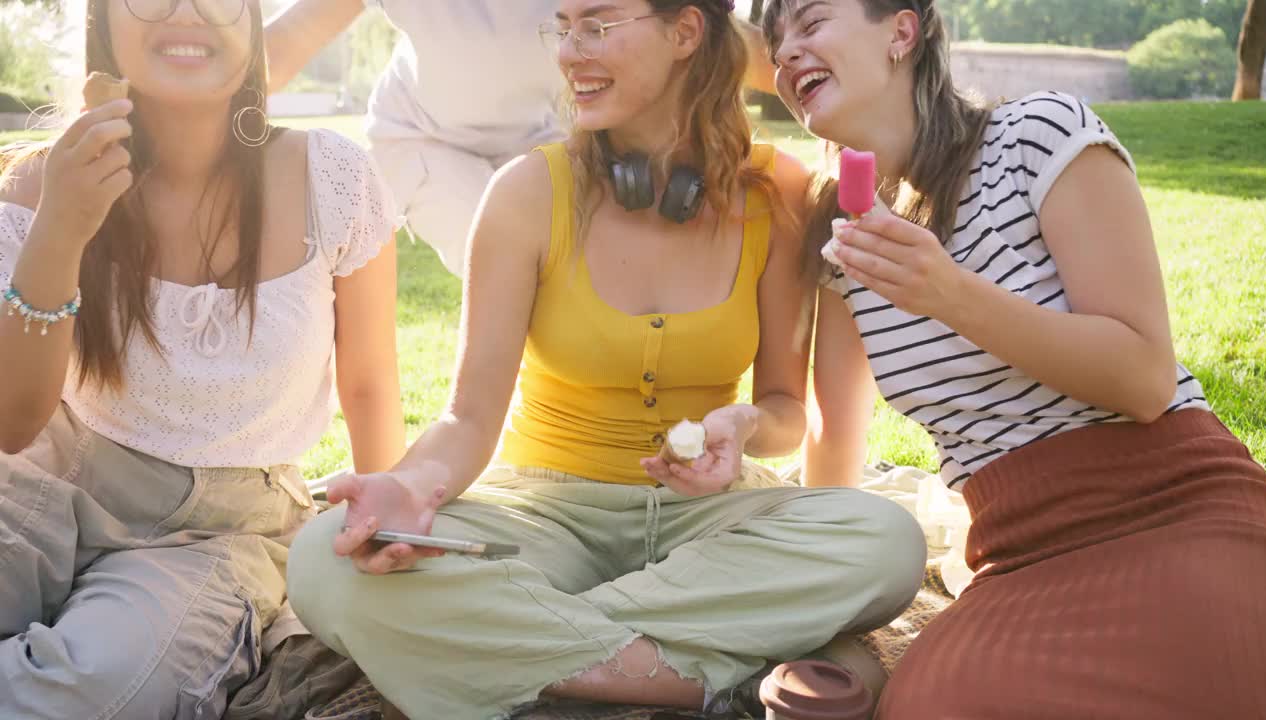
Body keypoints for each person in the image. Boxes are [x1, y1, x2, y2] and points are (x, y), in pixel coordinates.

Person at [285, 1, 926, 718]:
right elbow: (467, 417)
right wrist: (414, 486)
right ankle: (701, 676)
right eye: (562, 27)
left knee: (888, 543)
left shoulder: (778, 194)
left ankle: (532, 649)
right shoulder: (528, 193)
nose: (568, 53)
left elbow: (782, 409)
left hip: (707, 524)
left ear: (685, 31)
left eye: (598, 24)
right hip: (542, 517)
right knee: (322, 563)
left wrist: (744, 423)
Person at [763, 1, 1266, 718]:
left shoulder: (1038, 136)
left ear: (902, 31)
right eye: (775, 37)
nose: (786, 51)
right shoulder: (842, 234)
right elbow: (832, 443)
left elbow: (1143, 378)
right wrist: (818, 599)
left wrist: (949, 293)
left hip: (1170, 501)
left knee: (1224, 678)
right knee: (929, 708)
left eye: (810, 21)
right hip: (1017, 552)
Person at [0, 0, 404, 717]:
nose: (187, 13)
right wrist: (62, 229)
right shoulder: (41, 183)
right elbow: (12, 423)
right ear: (103, 24)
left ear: (250, 25)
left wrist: (388, 525)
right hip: (48, 476)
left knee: (83, 694)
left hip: (220, 529)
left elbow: (369, 382)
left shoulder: (332, 181)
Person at [264, 0, 780, 277]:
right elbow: (285, 45)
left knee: (591, 276)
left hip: (552, 140)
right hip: (427, 141)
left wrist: (837, 109)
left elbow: (707, 28)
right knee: (519, 273)